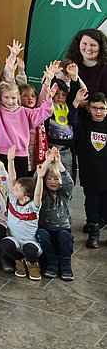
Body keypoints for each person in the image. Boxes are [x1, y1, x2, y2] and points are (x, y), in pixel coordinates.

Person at [1, 145, 47, 280]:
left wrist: (40, 178)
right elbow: (12, 179)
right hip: (15, 240)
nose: (12, 190)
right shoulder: (13, 201)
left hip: (29, 242)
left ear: (26, 197)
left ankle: (33, 264)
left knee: (29, 250)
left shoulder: (33, 206)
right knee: (4, 244)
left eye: (16, 190)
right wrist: (10, 161)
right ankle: (19, 261)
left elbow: (38, 194)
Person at [71, 90, 107, 248]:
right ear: (88, 108)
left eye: (102, 108)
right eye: (94, 108)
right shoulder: (83, 124)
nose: (98, 112)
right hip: (90, 173)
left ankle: (101, 224)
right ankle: (93, 231)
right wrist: (78, 102)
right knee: (91, 202)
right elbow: (72, 118)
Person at [37, 148, 74, 280]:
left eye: (56, 179)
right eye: (50, 179)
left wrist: (58, 163)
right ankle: (52, 262)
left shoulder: (64, 194)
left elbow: (69, 183)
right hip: (45, 228)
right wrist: (47, 162)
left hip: (62, 228)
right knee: (41, 235)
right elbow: (37, 178)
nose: (53, 181)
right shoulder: (42, 193)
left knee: (65, 237)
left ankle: (65, 264)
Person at [66, 28, 107, 97]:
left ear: (101, 47)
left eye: (93, 45)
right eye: (84, 44)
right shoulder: (69, 66)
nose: (88, 48)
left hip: (99, 107)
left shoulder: (105, 68)